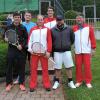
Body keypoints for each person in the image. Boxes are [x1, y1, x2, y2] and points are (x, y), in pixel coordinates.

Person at [28, 15, 52, 92]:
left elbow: (49, 41)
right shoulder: (32, 29)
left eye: (41, 19)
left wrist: (48, 51)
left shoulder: (47, 29)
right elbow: (29, 40)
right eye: (39, 19)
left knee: (45, 69)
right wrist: (30, 49)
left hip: (43, 53)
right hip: (34, 53)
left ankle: (47, 84)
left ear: (43, 20)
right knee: (33, 69)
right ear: (37, 21)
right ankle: (32, 85)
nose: (40, 21)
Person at [5, 12, 28, 91]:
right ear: (13, 18)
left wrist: (22, 46)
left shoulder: (23, 27)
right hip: (11, 49)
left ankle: (21, 83)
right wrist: (5, 39)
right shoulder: (8, 27)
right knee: (9, 66)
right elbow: (4, 36)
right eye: (15, 17)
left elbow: (26, 39)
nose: (17, 18)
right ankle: (9, 83)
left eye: (18, 17)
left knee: (21, 67)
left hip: (21, 50)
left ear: (20, 18)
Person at [52, 15, 76, 89]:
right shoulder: (52, 30)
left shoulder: (69, 29)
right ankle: (56, 82)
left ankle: (70, 82)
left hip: (67, 51)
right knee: (57, 68)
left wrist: (67, 45)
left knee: (68, 67)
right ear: (56, 21)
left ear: (63, 20)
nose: (59, 21)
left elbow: (72, 39)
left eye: (60, 20)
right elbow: (51, 41)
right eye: (58, 20)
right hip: (57, 51)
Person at [73, 15, 96, 88]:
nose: (78, 19)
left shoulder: (89, 28)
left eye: (80, 18)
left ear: (83, 19)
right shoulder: (74, 28)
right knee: (78, 66)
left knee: (87, 66)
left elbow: (92, 38)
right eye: (77, 18)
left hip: (86, 50)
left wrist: (93, 48)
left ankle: (88, 81)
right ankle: (79, 81)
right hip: (78, 50)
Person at [13, 11, 36, 84]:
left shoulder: (34, 25)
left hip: (31, 46)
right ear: (24, 16)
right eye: (26, 15)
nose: (28, 17)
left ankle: (33, 78)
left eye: (29, 15)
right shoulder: (21, 24)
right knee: (21, 63)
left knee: (31, 62)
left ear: (31, 17)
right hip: (23, 46)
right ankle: (19, 78)